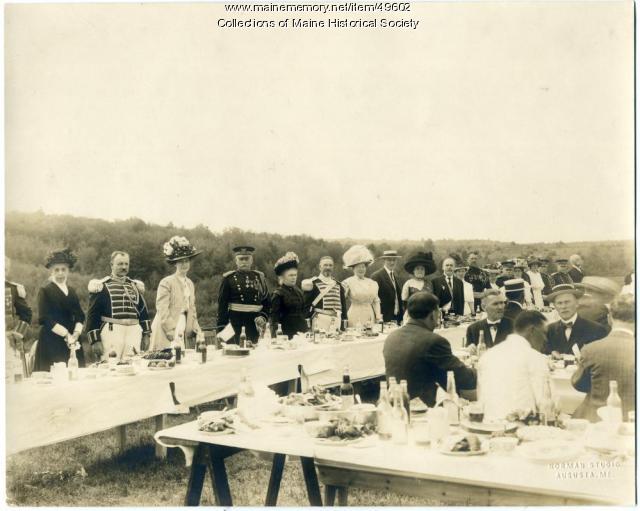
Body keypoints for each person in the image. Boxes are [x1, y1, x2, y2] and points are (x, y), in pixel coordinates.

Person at [383, 292, 476, 406]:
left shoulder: (392, 336)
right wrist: (479, 368)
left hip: (395, 402)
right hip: (425, 407)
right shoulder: (434, 341)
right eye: (438, 312)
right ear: (432, 314)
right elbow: (464, 378)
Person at [571, 293, 635, 422]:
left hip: (597, 420)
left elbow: (579, 385)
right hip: (632, 423)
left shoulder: (591, 349)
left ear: (609, 318)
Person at [477, 311, 551, 421]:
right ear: (532, 330)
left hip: (488, 425)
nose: (545, 339)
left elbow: (481, 398)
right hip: (520, 427)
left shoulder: (487, 355)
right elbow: (545, 405)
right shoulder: (535, 357)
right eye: (544, 333)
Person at [86, 251, 151, 360]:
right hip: (112, 332)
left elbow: (143, 311)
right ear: (112, 265)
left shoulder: (135, 286)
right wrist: (95, 340)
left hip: (134, 332)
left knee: (133, 366)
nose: (124, 267)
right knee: (110, 366)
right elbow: (92, 314)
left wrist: (146, 334)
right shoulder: (102, 286)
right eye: (120, 264)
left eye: (126, 264)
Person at [34, 249, 86, 371]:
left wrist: (76, 334)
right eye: (56, 270)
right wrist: (66, 334)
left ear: (68, 270)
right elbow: (45, 318)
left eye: (63, 269)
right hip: (52, 340)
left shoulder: (72, 291)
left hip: (73, 339)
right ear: (51, 271)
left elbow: (80, 315)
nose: (60, 273)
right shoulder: (45, 291)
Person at [149, 236, 204, 351]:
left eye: (187, 261)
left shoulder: (190, 283)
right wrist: (169, 329)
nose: (184, 264)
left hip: (182, 323)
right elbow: (162, 308)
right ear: (175, 263)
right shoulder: (166, 282)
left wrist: (196, 327)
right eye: (180, 261)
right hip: (166, 326)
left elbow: (192, 309)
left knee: (180, 355)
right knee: (166, 355)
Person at [217, 246, 270, 344]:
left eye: (247, 259)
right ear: (236, 261)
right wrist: (221, 329)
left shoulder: (260, 278)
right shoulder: (229, 278)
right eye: (241, 259)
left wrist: (262, 317)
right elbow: (222, 306)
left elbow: (266, 303)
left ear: (252, 260)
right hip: (235, 324)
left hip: (255, 325)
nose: (244, 262)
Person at [544, 284, 608, 356]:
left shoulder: (596, 330)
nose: (563, 307)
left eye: (567, 302)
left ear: (577, 303)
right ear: (555, 306)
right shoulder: (549, 331)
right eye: (559, 303)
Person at [302, 256, 347, 332]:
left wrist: (344, 325)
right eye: (325, 265)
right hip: (319, 321)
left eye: (330, 265)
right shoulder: (312, 284)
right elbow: (306, 307)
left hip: (336, 321)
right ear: (320, 267)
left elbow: (343, 307)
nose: (328, 267)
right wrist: (307, 327)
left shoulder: (339, 285)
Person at [270, 252, 308, 339]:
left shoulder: (299, 292)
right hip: (286, 333)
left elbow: (303, 313)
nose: (294, 277)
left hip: (301, 332)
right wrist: (275, 338)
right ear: (282, 277)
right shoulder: (278, 294)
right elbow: (274, 320)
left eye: (295, 275)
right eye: (290, 275)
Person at [342, 245, 381, 327]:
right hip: (355, 315)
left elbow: (376, 301)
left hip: (370, 316)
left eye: (363, 267)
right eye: (358, 267)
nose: (361, 269)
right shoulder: (348, 282)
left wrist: (378, 316)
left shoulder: (372, 283)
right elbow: (341, 300)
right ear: (353, 268)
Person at [5, 256, 32, 366]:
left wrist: (17, 334)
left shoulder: (13, 289)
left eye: (4, 269)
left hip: (7, 341)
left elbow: (26, 314)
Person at [400, 252, 436, 322]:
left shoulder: (429, 284)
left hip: (426, 315)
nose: (420, 271)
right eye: (417, 269)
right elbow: (404, 301)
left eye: (422, 269)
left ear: (425, 271)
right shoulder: (408, 283)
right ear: (413, 271)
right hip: (411, 315)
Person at [370, 250, 403, 324]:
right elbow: (373, 299)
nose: (392, 262)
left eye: (394, 260)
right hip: (383, 318)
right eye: (389, 260)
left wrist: (401, 316)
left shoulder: (396, 276)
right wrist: (378, 317)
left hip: (397, 317)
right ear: (384, 260)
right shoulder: (377, 276)